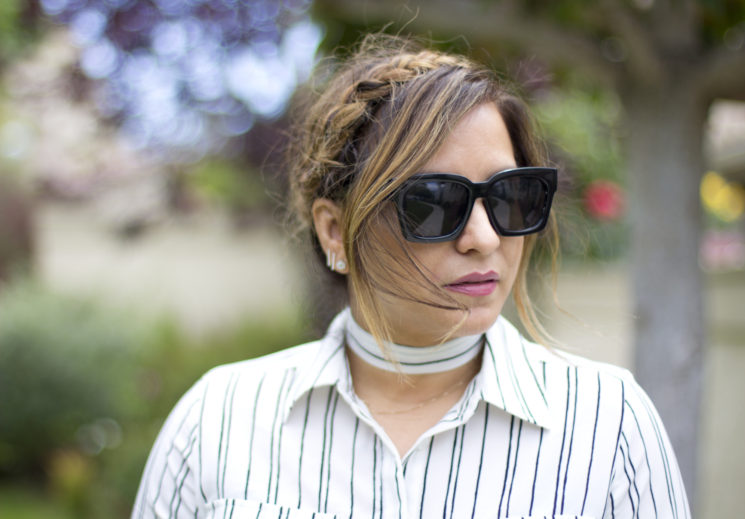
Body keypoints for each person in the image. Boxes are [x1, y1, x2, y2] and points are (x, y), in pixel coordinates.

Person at [132, 35, 690, 519]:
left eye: (510, 196)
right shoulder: (220, 420)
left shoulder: (606, 423)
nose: (485, 238)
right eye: (433, 203)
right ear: (334, 230)